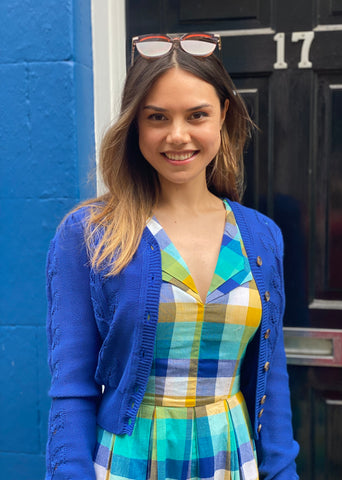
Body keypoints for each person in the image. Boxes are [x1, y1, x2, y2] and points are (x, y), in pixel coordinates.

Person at [45, 32, 299, 480]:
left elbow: (271, 377)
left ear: (222, 114)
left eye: (197, 115)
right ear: (135, 125)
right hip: (129, 461)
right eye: (157, 117)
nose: (177, 136)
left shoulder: (261, 237)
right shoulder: (89, 234)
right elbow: (72, 389)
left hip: (231, 458)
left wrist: (283, 470)